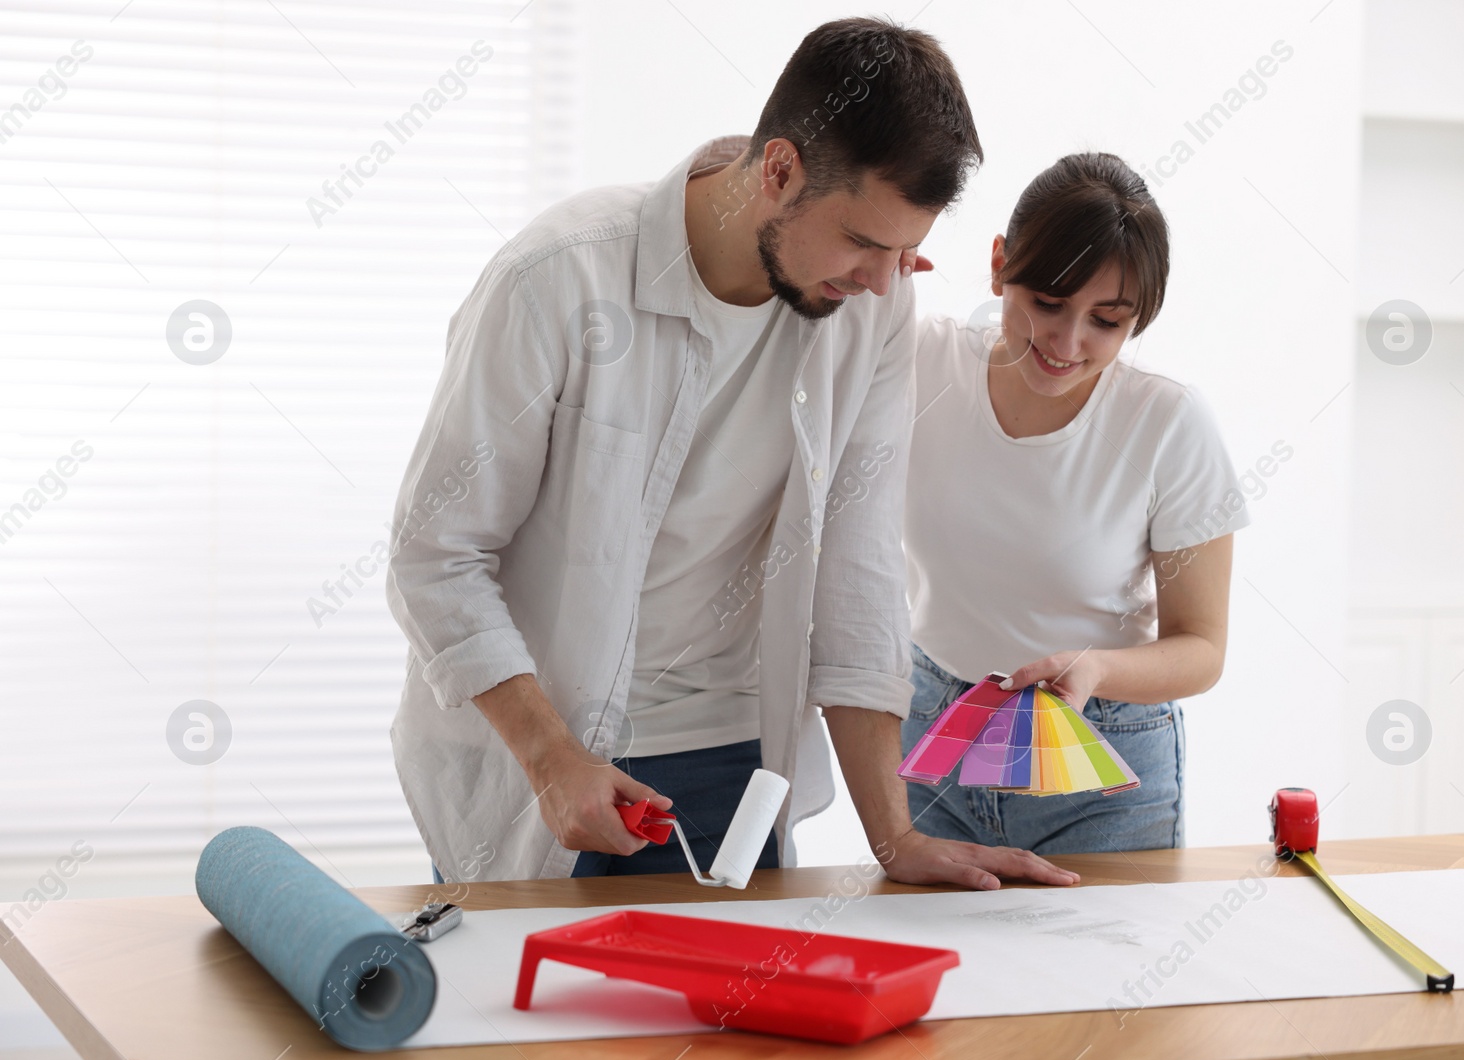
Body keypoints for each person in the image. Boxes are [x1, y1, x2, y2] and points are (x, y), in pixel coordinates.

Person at [386, 17, 1078, 892]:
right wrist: (553, 758)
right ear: (779, 169)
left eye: (903, 251)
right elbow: (435, 556)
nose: (880, 278)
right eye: (864, 241)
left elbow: (858, 573)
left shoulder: (874, 305)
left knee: (731, 1030)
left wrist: (894, 839)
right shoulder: (558, 279)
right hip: (535, 762)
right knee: (538, 1022)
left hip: (731, 761)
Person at [901, 152, 1249, 856]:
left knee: (1099, 965)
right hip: (938, 728)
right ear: (1000, 265)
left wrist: (1095, 668)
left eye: (1106, 321)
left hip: (1100, 750)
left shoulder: (1167, 421)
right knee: (958, 961)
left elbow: (1203, 647)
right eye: (1047, 303)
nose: (1066, 342)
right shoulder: (922, 361)